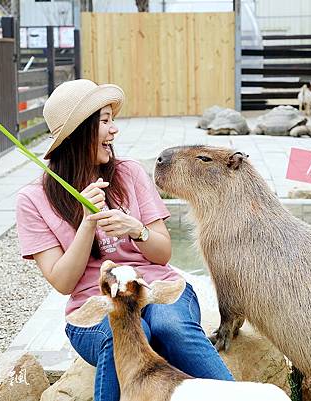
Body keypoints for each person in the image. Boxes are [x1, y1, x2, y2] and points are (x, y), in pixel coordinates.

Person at [15, 79, 233, 401]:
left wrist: (136, 229)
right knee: (126, 334)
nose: (114, 130)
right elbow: (63, 282)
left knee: (169, 328)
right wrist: (87, 225)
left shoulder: (129, 173)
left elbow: (162, 254)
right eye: (104, 122)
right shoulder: (33, 199)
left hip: (158, 286)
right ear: (78, 133)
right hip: (94, 305)